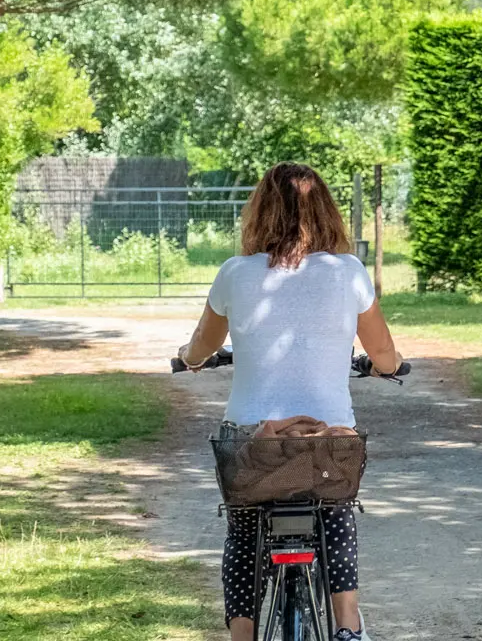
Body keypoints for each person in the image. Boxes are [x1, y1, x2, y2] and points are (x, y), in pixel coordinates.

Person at [178, 162, 402, 641]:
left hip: (253, 439)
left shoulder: (235, 274)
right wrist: (389, 366)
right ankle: (347, 627)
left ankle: (242, 636)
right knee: (335, 513)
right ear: (326, 213)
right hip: (325, 435)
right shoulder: (349, 272)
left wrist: (189, 358)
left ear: (259, 212)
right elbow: (382, 354)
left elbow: (202, 344)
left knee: (244, 531)